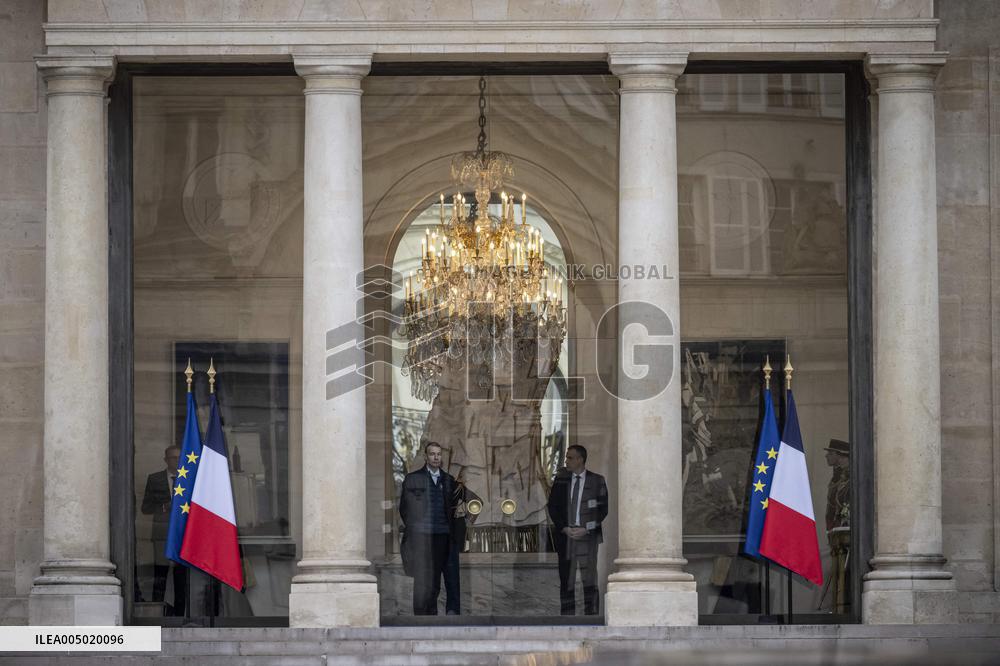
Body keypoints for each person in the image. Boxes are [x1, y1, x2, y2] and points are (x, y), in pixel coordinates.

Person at [399, 441, 460, 615]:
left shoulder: (448, 480)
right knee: (423, 578)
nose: (436, 457)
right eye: (432, 454)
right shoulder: (413, 478)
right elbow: (404, 508)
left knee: (436, 580)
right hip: (422, 536)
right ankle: (420, 616)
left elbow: (454, 510)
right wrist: (416, 526)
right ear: (426, 457)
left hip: (443, 535)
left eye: (439, 454)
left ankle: (432, 615)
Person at [546, 444, 608, 615]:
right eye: (566, 457)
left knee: (589, 579)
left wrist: (586, 529)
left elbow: (603, 509)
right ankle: (567, 617)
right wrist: (564, 528)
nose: (566, 460)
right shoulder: (561, 480)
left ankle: (592, 616)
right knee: (566, 579)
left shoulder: (597, 480)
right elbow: (552, 507)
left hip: (588, 538)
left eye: (570, 457)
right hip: (566, 538)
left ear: (581, 459)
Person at [140, 445, 188, 615]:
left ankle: (180, 615)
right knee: (160, 575)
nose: (176, 460)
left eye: (178, 457)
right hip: (161, 535)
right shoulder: (155, 479)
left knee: (181, 577)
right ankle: (157, 613)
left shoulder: (189, 478)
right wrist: (163, 506)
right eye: (172, 457)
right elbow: (145, 508)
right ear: (165, 460)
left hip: (183, 535)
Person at [822, 438, 851, 613]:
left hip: (846, 533)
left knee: (844, 573)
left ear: (841, 456)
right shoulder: (837, 478)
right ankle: (838, 606)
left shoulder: (850, 478)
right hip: (836, 532)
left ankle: (843, 607)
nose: (827, 456)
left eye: (830, 453)